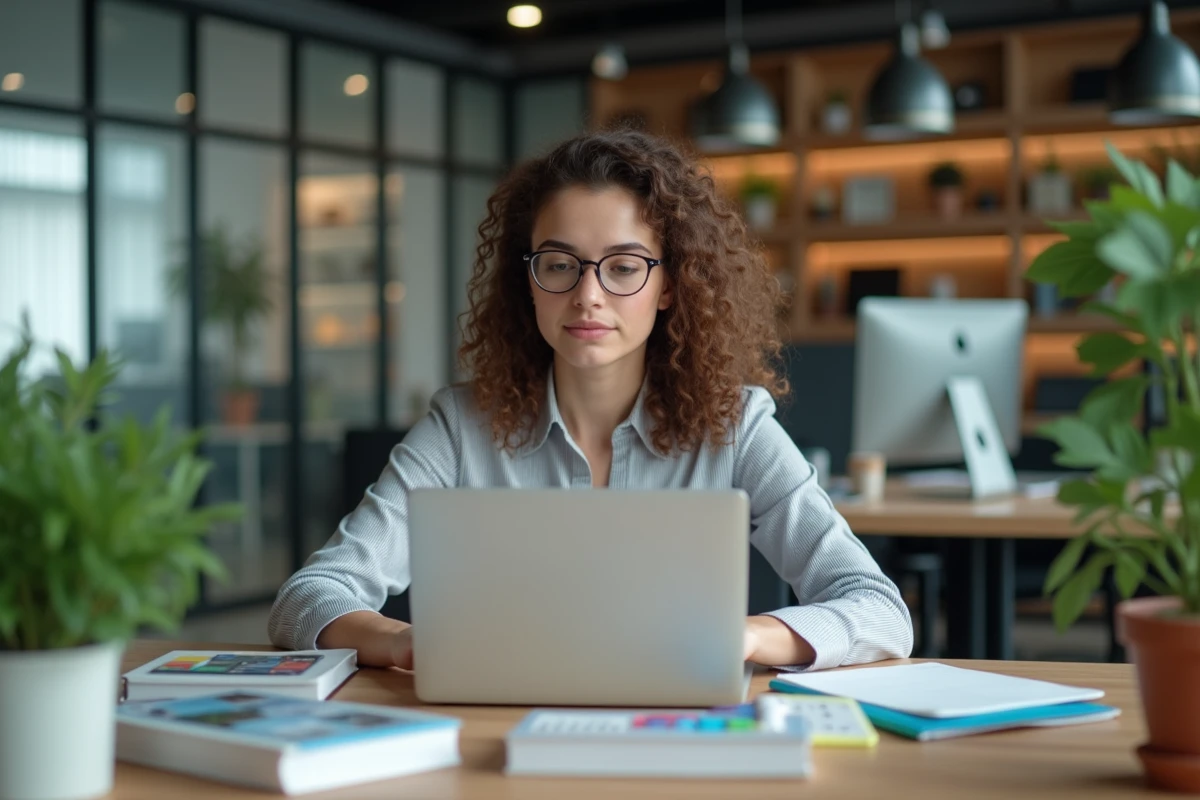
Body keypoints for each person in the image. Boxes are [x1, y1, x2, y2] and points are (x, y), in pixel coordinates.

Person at [268, 129, 913, 672]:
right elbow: (309, 597)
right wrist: (408, 643)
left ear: (668, 285)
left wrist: (742, 637)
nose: (588, 296)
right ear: (530, 280)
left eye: (625, 266)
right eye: (559, 263)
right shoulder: (462, 428)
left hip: (678, 731)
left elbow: (877, 609)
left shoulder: (736, 426)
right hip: (497, 734)